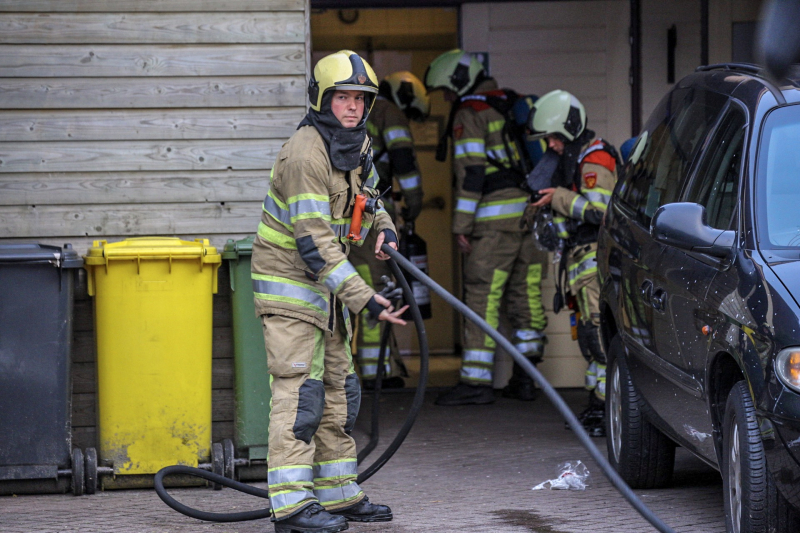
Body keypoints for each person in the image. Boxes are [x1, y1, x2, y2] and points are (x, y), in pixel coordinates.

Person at [251, 50, 406, 533]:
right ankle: (292, 506)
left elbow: (371, 198)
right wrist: (365, 298)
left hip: (327, 293)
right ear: (322, 99)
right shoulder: (304, 154)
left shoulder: (356, 146)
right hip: (292, 291)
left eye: (361, 99)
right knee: (301, 398)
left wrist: (385, 228)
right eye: (343, 97)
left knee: (340, 392)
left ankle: (337, 494)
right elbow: (315, 241)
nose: (353, 107)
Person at [424, 49, 548, 406]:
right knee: (526, 296)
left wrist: (461, 226)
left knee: (483, 297)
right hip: (532, 218)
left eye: (447, 91)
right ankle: (526, 379)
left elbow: (472, 174)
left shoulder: (471, 112)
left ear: (459, 82)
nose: (448, 99)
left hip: (494, 225)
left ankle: (475, 383)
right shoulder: (510, 103)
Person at [528, 89, 620, 437]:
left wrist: (559, 197)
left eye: (553, 138)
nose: (551, 145)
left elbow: (600, 211)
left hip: (595, 263)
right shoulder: (574, 159)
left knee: (599, 339)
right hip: (580, 265)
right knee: (589, 340)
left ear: (568, 129)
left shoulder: (596, 159)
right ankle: (598, 405)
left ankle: (611, 410)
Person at [351, 71, 430, 390]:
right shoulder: (389, 112)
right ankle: (376, 372)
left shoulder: (361, 110)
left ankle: (381, 366)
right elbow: (404, 161)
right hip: (369, 214)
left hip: (350, 213)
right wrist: (414, 202)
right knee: (375, 286)